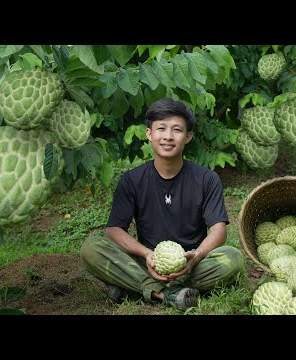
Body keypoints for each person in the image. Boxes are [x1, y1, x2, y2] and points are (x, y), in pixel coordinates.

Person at [80, 98, 245, 312]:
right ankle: (165, 293)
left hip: (191, 265)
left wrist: (195, 258)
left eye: (176, 130)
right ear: (149, 134)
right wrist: (147, 255)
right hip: (147, 263)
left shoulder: (207, 179)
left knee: (233, 258)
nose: (168, 136)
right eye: (161, 129)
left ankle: (136, 287)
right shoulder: (132, 180)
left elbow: (219, 231)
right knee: (91, 248)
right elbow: (113, 230)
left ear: (188, 136)